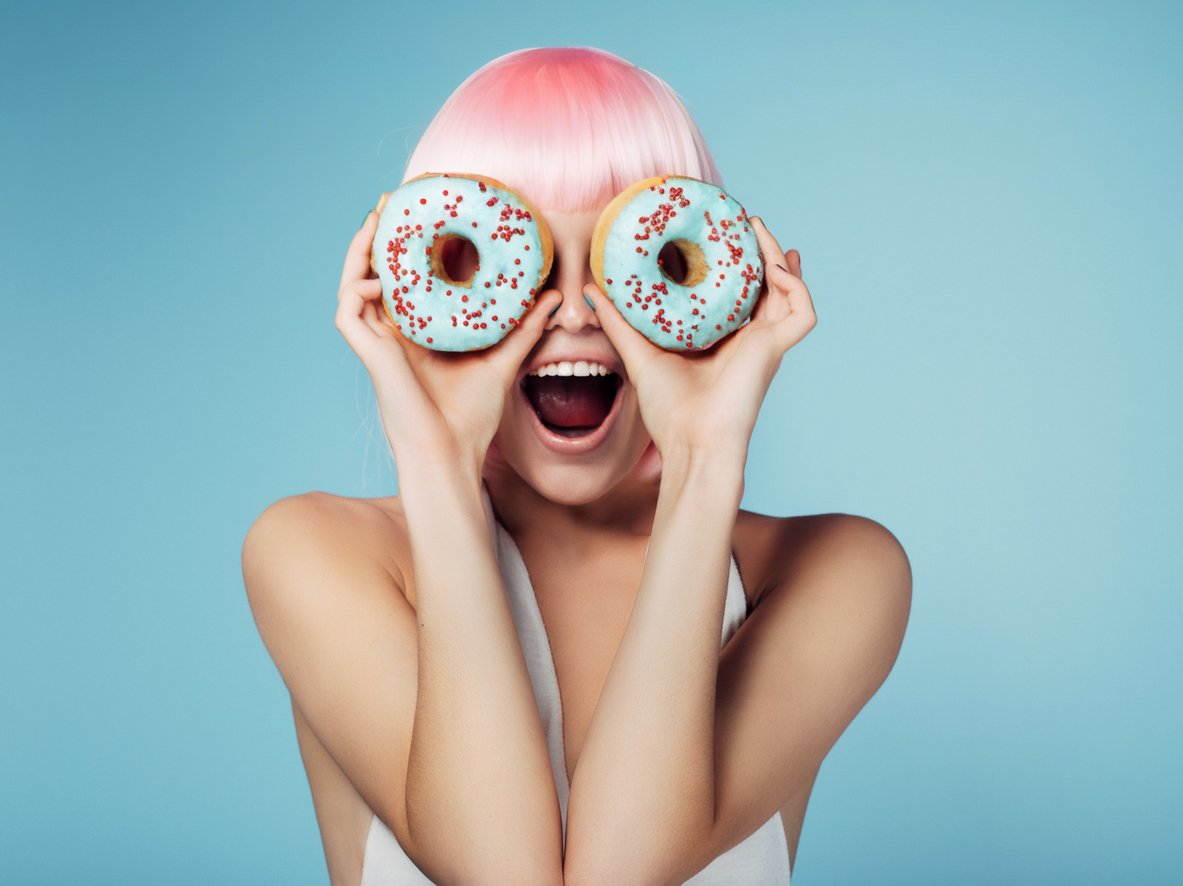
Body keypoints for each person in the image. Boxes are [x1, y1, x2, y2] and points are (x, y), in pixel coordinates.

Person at [242, 47, 911, 885]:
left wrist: (706, 458)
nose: (571, 312)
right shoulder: (316, 552)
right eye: (498, 263)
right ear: (419, 290)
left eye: (629, 264)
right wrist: (438, 460)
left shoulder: (833, 573)